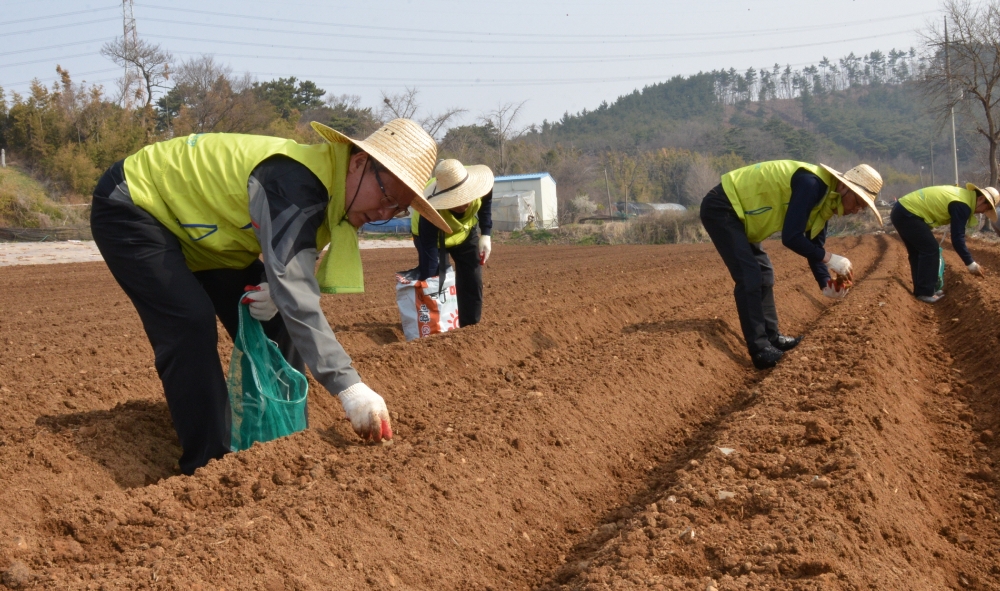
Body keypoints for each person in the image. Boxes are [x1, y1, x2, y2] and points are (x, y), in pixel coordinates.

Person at [89, 119, 452, 475]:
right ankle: (210, 467)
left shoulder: (335, 190)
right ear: (359, 163)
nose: (383, 214)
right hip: (137, 203)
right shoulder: (294, 181)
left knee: (275, 321)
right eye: (388, 197)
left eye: (398, 209)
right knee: (189, 324)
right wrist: (349, 387)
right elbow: (296, 289)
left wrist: (280, 291)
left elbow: (295, 264)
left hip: (209, 238)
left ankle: (282, 443)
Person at [699, 160, 883, 370]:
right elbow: (792, 237)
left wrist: (825, 283)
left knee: (764, 273)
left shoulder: (827, 201)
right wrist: (831, 259)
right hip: (723, 207)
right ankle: (760, 350)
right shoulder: (811, 184)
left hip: (742, 217)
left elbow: (814, 244)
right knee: (750, 275)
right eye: (858, 201)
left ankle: (773, 338)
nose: (858, 210)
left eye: (864, 207)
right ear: (843, 187)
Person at [409, 159, 494, 327]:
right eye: (458, 199)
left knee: (473, 277)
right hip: (432, 238)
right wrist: (431, 286)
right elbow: (430, 253)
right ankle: (441, 323)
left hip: (464, 233)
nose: (466, 203)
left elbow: (486, 204)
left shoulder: (480, 184)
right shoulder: (429, 210)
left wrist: (486, 233)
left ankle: (470, 325)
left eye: (467, 195)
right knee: (437, 278)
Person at [890, 183, 999, 303]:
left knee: (918, 252)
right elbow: (957, 239)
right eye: (987, 208)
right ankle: (925, 292)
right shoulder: (963, 205)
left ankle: (923, 290)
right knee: (931, 250)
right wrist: (971, 264)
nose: (984, 212)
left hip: (902, 211)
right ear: (981, 199)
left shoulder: (963, 197)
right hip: (908, 214)